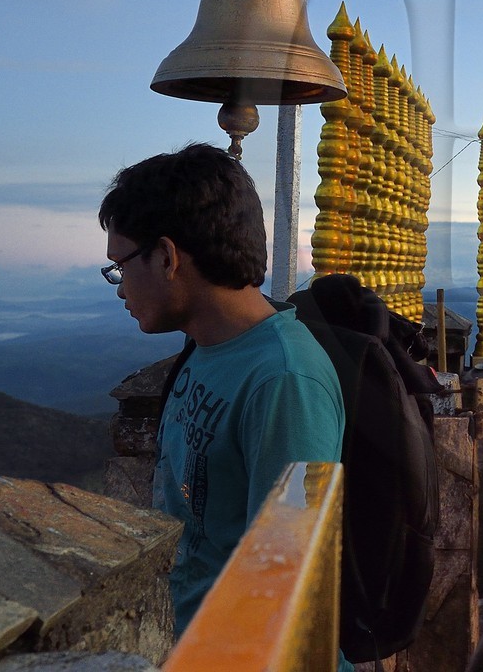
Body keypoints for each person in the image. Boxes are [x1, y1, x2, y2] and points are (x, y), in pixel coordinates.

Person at [99, 143, 345, 641]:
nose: (121, 286)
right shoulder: (208, 348)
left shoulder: (284, 381)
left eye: (121, 266)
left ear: (166, 257)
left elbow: (291, 586)